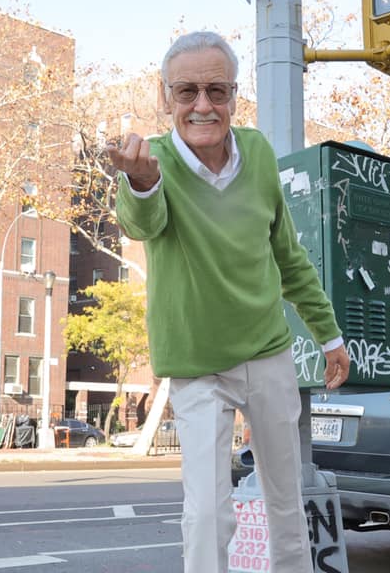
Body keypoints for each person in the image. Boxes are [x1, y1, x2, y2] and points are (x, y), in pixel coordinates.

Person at [107, 31, 350, 573]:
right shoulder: (154, 159)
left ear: (235, 96)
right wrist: (142, 182)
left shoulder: (259, 153)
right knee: (209, 513)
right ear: (165, 96)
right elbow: (141, 222)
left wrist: (328, 334)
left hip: (267, 352)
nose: (202, 105)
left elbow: (287, 255)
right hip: (196, 364)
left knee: (287, 502)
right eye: (186, 91)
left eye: (217, 91)